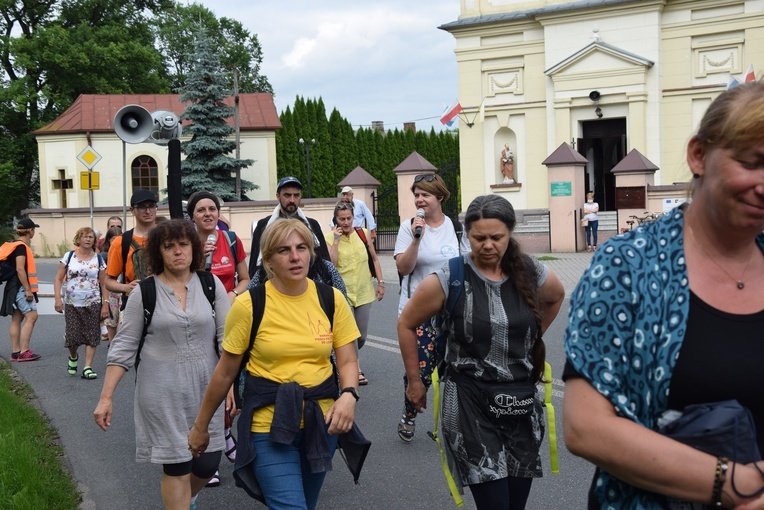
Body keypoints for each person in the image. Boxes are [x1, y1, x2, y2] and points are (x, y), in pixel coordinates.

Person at [562, 81, 764, 509]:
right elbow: (588, 428)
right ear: (699, 156)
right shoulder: (627, 265)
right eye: (753, 162)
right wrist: (739, 486)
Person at [188, 218, 368, 510]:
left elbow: (347, 359)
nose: (295, 257)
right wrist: (201, 426)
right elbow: (225, 372)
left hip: (322, 425)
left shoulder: (331, 299)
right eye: (284, 250)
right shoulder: (249, 305)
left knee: (305, 505)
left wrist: (348, 395)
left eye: (301, 248)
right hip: (268, 428)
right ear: (269, 260)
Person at [398, 195, 565, 509]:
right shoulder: (450, 278)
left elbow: (555, 297)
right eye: (479, 238)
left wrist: (530, 337)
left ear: (510, 234)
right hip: (468, 403)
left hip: (520, 400)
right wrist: (415, 381)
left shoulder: (530, 271)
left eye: (497, 237)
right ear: (467, 235)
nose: (488, 245)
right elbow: (406, 323)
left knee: (515, 504)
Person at [94, 219, 231, 510]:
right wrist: (106, 398)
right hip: (160, 393)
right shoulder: (144, 292)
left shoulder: (211, 285)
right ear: (158, 253)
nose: (177, 252)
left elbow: (227, 341)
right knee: (178, 466)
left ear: (194, 248)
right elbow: (124, 348)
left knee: (207, 464)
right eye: (169, 247)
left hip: (207, 391)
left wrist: (229, 387)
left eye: (183, 244)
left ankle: (188, 499)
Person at [394, 173, 471, 441]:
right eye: (416, 194)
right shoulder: (408, 227)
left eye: (425, 194)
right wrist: (417, 238)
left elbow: (468, 265)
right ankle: (410, 411)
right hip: (419, 311)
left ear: (440, 196)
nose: (419, 199)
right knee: (422, 370)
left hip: (451, 310)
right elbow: (403, 268)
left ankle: (452, 422)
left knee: (454, 368)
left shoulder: (457, 228)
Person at [187, 190, 248, 486]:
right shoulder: (185, 245)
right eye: (201, 210)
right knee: (206, 383)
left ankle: (224, 431)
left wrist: (233, 295)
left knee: (232, 382)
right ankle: (208, 453)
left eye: (212, 208)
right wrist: (204, 260)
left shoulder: (232, 240)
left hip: (230, 319)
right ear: (193, 216)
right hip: (198, 322)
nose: (208, 214)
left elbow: (246, 278)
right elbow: (183, 284)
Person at [326, 200, 384, 386]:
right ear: (335, 220)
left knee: (361, 336)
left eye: (349, 218)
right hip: (342, 294)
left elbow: (374, 259)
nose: (345, 222)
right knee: (350, 334)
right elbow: (331, 265)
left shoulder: (363, 233)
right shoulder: (329, 238)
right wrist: (335, 240)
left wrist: (381, 283)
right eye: (341, 219)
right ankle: (355, 370)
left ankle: (341, 354)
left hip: (364, 291)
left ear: (353, 217)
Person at [53, 227, 108, 379]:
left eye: (90, 237)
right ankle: (73, 357)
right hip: (72, 303)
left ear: (94, 241)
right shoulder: (69, 256)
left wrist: (105, 304)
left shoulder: (98, 259)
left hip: (93, 302)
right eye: (84, 236)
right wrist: (58, 298)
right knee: (72, 337)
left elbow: (104, 284)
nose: (88, 239)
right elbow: (58, 279)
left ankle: (87, 367)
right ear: (78, 239)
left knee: (92, 335)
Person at [248, 176, 330, 277]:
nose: (292, 200)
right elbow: (254, 267)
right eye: (287, 195)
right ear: (278, 196)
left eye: (296, 195)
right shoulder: (264, 226)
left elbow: (324, 263)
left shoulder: (312, 225)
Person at [105, 189, 158, 307]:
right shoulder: (121, 242)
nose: (148, 211)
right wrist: (126, 287)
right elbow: (108, 281)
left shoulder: (167, 237)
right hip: (134, 303)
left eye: (151, 206)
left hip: (164, 302)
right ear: (132, 210)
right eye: (142, 207)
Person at [1, 218, 42, 362]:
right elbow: (20, 268)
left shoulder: (12, 245)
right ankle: (24, 351)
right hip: (19, 286)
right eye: (33, 230)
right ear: (30, 231)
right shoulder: (21, 247)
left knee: (16, 318)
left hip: (12, 286)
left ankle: (15, 352)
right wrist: (27, 289)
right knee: (32, 316)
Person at [100, 226, 122, 344]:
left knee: (123, 320)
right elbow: (104, 280)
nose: (116, 241)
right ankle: (112, 342)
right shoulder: (104, 255)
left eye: (119, 238)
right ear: (108, 240)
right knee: (111, 319)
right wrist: (106, 299)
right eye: (113, 238)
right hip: (111, 292)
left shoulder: (125, 252)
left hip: (123, 289)